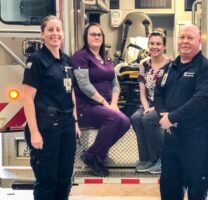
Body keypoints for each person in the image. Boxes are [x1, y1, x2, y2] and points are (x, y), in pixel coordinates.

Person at [154, 24, 208, 200]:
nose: (185, 41)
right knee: (169, 189)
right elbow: (158, 92)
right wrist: (163, 115)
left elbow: (201, 100)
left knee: (196, 191)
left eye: (190, 38)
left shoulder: (206, 68)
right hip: (172, 139)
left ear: (199, 41)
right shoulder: (170, 67)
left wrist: (173, 117)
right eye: (182, 37)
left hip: (197, 141)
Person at [23, 15, 80, 200]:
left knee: (64, 178)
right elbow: (28, 98)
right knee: (47, 179)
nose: (55, 33)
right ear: (42, 34)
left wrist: (75, 122)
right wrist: (34, 132)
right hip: (46, 127)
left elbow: (71, 93)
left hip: (67, 125)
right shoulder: (36, 60)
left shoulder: (66, 61)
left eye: (58, 29)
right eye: (50, 30)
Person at [71, 23, 130, 177]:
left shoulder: (107, 58)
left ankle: (94, 156)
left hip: (106, 106)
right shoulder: (81, 56)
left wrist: (114, 104)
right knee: (113, 117)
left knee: (125, 122)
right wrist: (105, 103)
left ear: (103, 38)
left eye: (99, 34)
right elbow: (84, 85)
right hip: (86, 106)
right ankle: (94, 157)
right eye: (93, 34)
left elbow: (115, 83)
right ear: (86, 37)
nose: (96, 37)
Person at [130, 29, 171, 174]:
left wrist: (155, 109)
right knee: (135, 117)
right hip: (148, 104)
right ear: (148, 45)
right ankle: (146, 158)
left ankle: (161, 159)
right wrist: (147, 107)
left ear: (164, 46)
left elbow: (171, 93)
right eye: (152, 43)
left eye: (158, 44)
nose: (155, 46)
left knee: (148, 119)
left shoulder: (171, 65)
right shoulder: (144, 65)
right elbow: (142, 93)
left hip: (165, 105)